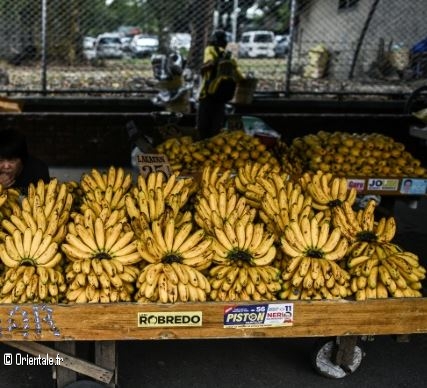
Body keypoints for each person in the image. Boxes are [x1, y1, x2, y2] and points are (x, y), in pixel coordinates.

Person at [196, 29, 244, 139]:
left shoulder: (210, 49)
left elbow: (209, 61)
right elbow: (240, 78)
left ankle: (202, 144)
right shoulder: (229, 57)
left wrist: (206, 67)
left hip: (207, 94)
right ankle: (215, 143)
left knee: (203, 125)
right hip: (222, 96)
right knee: (217, 125)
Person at [0, 129, 50, 194]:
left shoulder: (38, 170)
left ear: (22, 159)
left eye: (12, 160)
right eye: (1, 160)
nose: (6, 166)